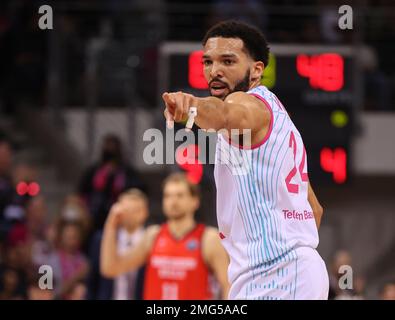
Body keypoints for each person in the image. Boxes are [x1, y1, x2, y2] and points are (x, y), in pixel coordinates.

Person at [162, 20, 328, 300]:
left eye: (228, 61)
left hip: (281, 274)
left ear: (256, 70)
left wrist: (190, 106)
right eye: (207, 62)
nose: (214, 71)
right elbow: (315, 210)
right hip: (269, 274)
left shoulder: (249, 104)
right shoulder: (276, 115)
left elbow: (222, 115)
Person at [101, 172, 230, 300]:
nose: (173, 201)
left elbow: (228, 285)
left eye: (180, 195)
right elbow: (110, 268)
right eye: (168, 196)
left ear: (195, 201)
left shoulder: (208, 238)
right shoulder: (152, 236)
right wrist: (111, 224)